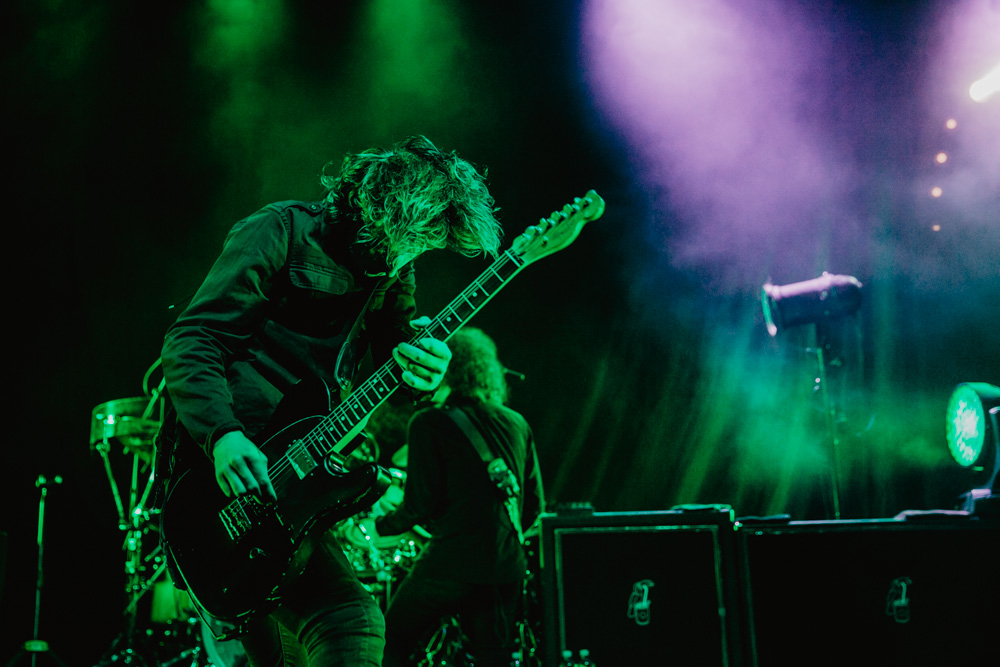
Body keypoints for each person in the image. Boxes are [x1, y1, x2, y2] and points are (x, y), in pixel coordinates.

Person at [158, 135, 503, 666]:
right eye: (408, 240)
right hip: (222, 480)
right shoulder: (281, 230)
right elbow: (194, 339)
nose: (409, 256)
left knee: (352, 624)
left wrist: (424, 375)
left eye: (423, 247)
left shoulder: (395, 269)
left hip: (299, 489)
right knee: (292, 642)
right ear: (375, 211)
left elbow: (395, 364)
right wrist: (223, 435)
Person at [367, 327, 545, 667]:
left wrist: (380, 526)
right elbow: (534, 506)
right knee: (494, 660)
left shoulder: (428, 422)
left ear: (447, 368)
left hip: (450, 564)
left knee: (388, 643)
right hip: (505, 568)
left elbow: (419, 505)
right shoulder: (518, 423)